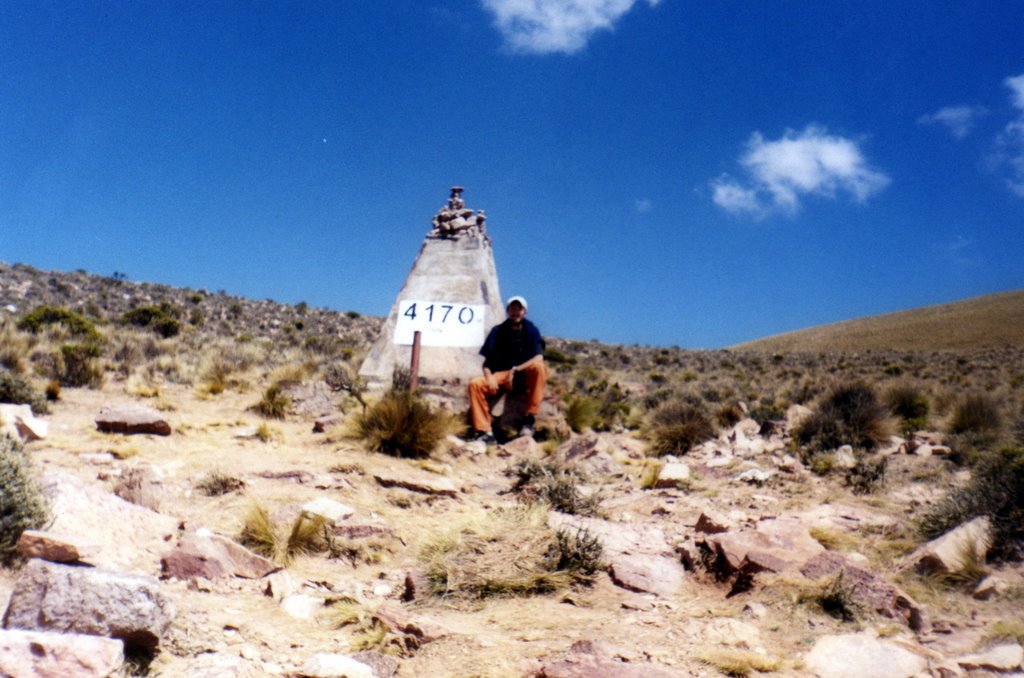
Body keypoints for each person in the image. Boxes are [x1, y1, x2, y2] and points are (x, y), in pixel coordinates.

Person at [468, 296, 547, 443]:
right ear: (508, 311)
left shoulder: (531, 330)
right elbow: (487, 362)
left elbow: (538, 358)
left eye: (519, 309)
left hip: (523, 374)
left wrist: (515, 370)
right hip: (502, 375)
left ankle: (529, 419)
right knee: (475, 384)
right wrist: (490, 377)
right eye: (512, 308)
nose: (515, 312)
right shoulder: (498, 331)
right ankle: (485, 431)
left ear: (525, 312)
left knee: (539, 368)